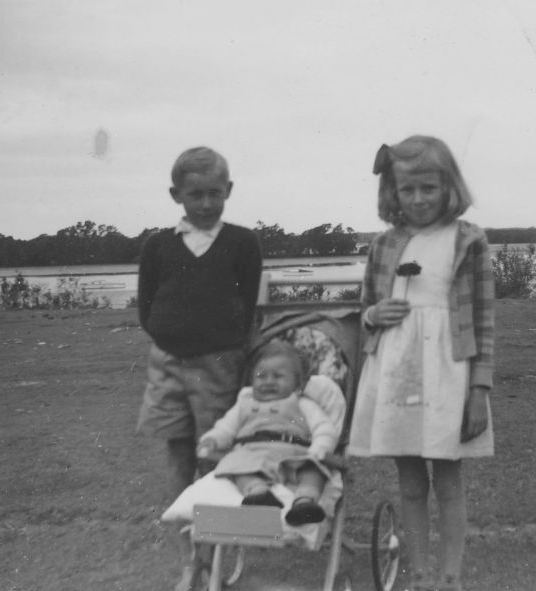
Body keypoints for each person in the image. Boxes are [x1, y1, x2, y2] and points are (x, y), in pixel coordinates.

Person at [347, 135, 495, 591]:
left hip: (449, 373)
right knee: (410, 480)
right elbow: (365, 310)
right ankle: (421, 574)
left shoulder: (468, 241)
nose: (417, 199)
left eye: (428, 188)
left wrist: (478, 392)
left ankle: (450, 578)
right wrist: (374, 315)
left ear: (448, 186)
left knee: (448, 479)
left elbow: (483, 321)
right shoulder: (384, 244)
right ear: (392, 191)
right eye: (406, 190)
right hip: (397, 373)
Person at [134, 146, 262, 583]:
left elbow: (246, 306)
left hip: (220, 366)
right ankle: (189, 560)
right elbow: (146, 304)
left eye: (214, 194)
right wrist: (169, 336)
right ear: (177, 195)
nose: (205, 204)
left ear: (228, 191)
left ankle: (212, 558)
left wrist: (222, 345)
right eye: (195, 195)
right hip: (167, 364)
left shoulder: (242, 242)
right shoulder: (157, 246)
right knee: (177, 458)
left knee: (214, 458)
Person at [196, 341, 337, 526]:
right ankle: (258, 493)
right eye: (261, 376)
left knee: (313, 470)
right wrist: (212, 440)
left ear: (297, 384)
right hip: (252, 454)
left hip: (294, 453)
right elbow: (226, 428)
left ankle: (305, 502)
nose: (269, 381)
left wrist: (319, 449)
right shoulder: (245, 404)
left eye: (278, 376)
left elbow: (324, 429)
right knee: (236, 465)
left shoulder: (302, 403)